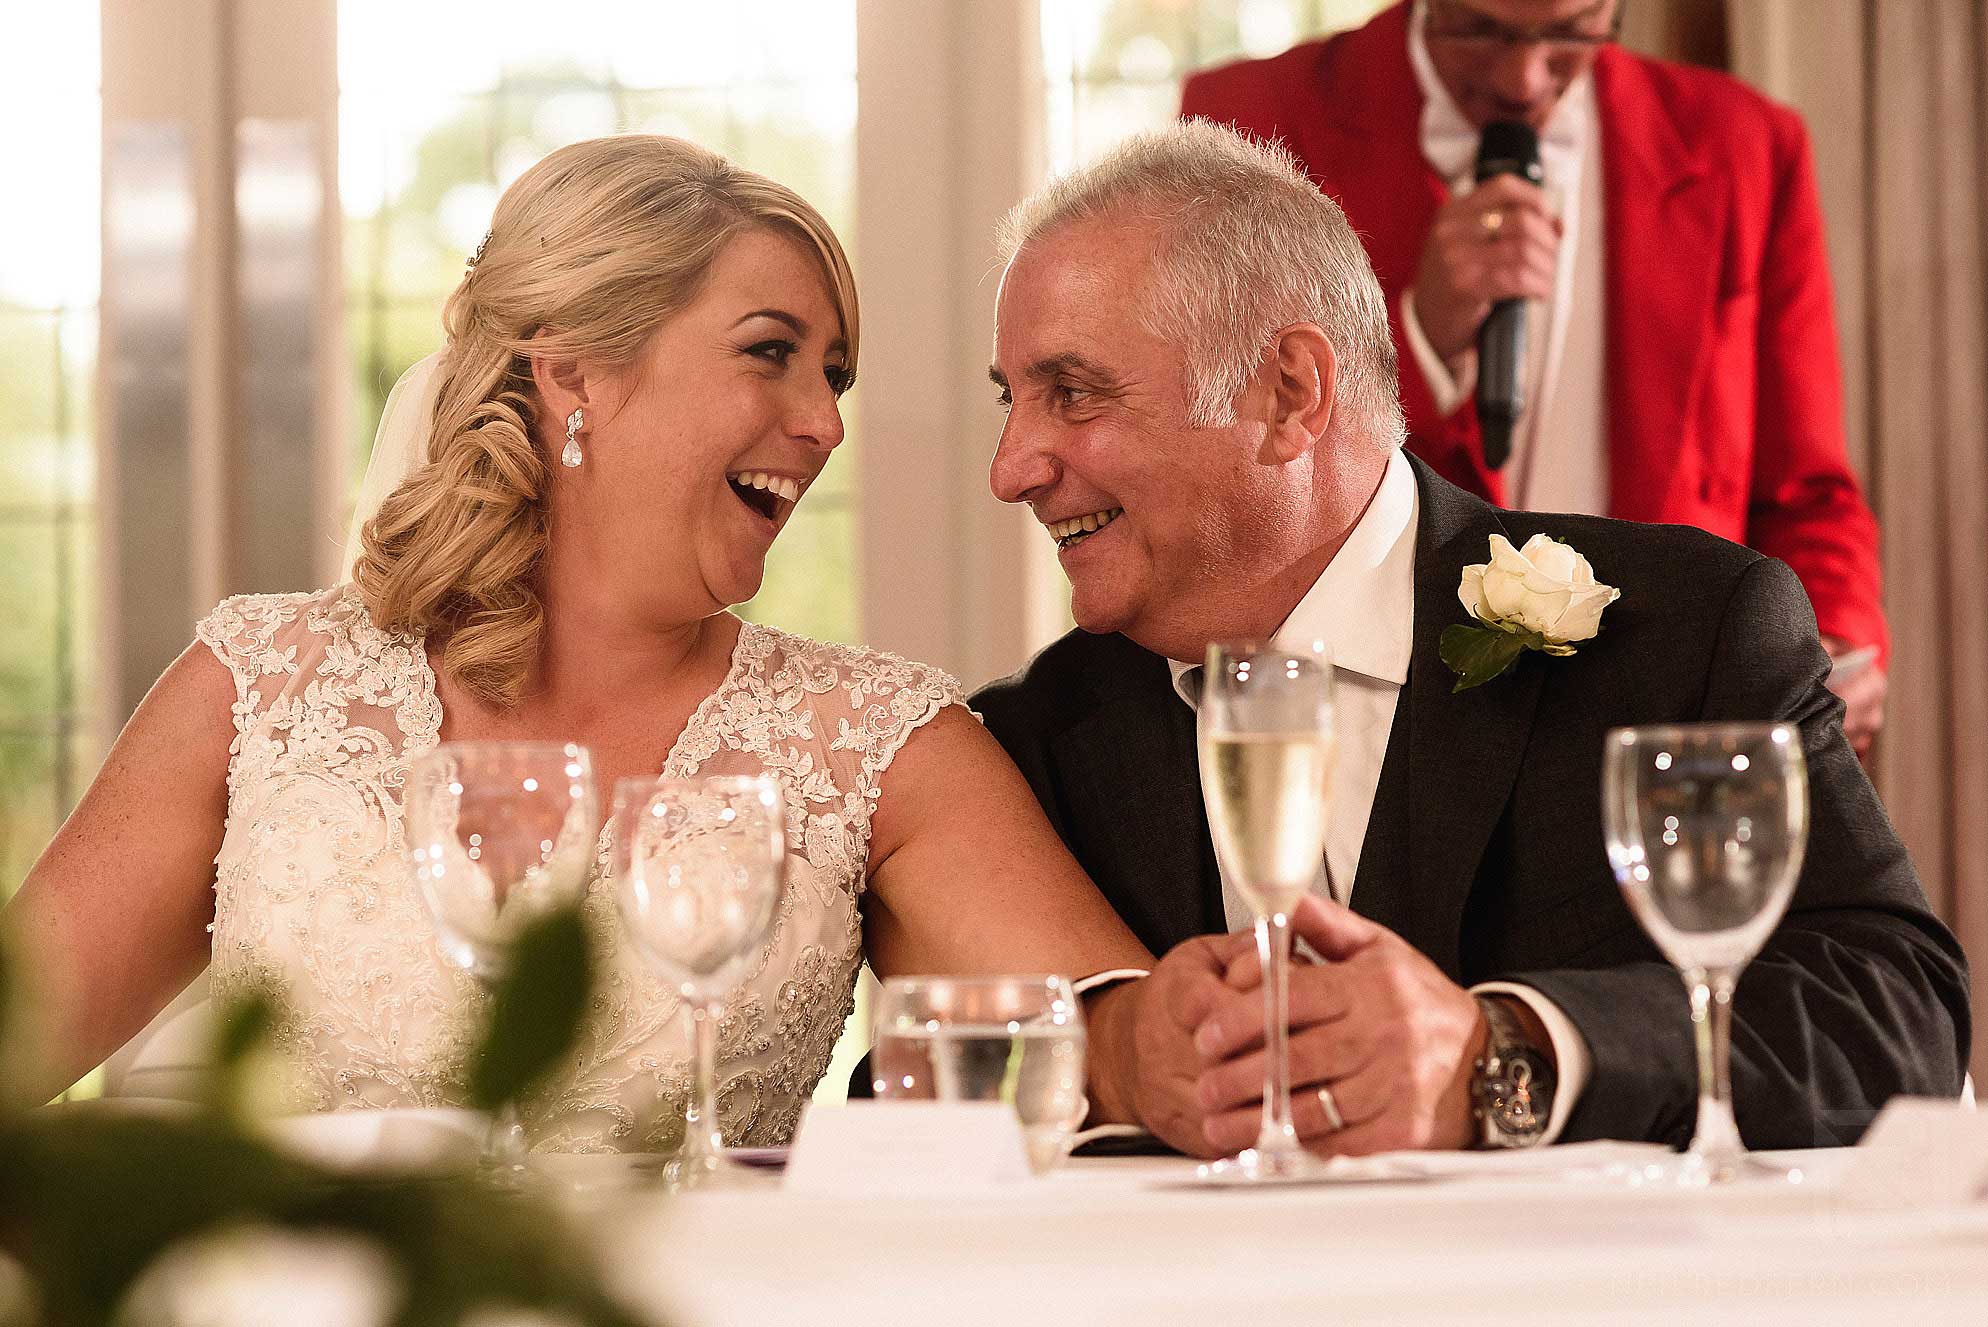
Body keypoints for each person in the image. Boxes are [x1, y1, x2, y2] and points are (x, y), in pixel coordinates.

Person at [1, 135, 1156, 1149]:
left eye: (834, 374)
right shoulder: (255, 690)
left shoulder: (880, 748)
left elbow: (1111, 1045)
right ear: (573, 370)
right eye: (770, 351)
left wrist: (1179, 1039)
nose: (824, 422)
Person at [978, 119, 1967, 1157]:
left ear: (1287, 395)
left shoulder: (1684, 629)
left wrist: (1509, 1051)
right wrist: (1108, 1048)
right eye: (1012, 401)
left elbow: (1894, 1015)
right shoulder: (1035, 738)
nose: (1011, 468)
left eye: (1072, 394)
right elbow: (904, 1083)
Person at [1178, 0, 1891, 754]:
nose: (1523, 79)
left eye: (1569, 32)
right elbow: (1224, 472)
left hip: (1670, 728)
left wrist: (1834, 641)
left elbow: (1805, 490)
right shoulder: (1247, 121)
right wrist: (1418, 336)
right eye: (1478, 29)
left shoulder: (1746, 143)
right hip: (1378, 737)